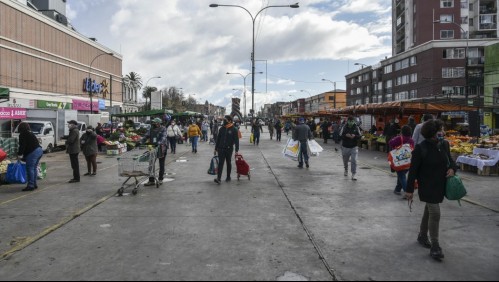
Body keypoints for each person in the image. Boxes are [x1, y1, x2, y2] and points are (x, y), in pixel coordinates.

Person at [406, 119, 458, 261]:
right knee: (435, 212)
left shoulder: (444, 144)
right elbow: (413, 171)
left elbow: (452, 162)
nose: (443, 132)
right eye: (440, 129)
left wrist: (452, 169)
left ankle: (422, 236)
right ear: (432, 133)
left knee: (429, 211)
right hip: (426, 187)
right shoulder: (420, 148)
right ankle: (435, 245)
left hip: (440, 186)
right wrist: (409, 189)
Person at [389, 125, 415, 197]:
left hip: (399, 161)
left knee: (402, 176)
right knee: (401, 175)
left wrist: (395, 138)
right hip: (408, 162)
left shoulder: (399, 138)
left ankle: (407, 192)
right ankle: (397, 189)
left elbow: (390, 143)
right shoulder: (411, 140)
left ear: (402, 131)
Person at [17, 122, 43, 191]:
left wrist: (20, 154)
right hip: (39, 150)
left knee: (30, 169)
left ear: (20, 128)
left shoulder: (23, 134)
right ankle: (34, 184)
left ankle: (31, 185)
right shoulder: (30, 133)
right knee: (33, 168)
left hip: (33, 152)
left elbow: (23, 145)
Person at [142, 118, 168, 186]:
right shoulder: (151, 129)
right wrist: (140, 142)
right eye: (153, 123)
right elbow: (146, 136)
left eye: (155, 123)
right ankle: (151, 180)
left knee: (161, 164)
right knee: (151, 164)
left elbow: (164, 137)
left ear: (159, 123)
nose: (153, 124)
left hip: (162, 148)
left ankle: (160, 179)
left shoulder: (163, 129)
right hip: (153, 148)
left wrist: (158, 143)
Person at [214, 115, 240, 184]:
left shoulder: (234, 129)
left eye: (226, 119)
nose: (224, 121)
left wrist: (236, 150)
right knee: (220, 163)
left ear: (230, 121)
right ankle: (218, 178)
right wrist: (216, 148)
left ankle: (228, 176)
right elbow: (218, 139)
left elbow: (236, 140)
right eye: (224, 119)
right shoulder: (222, 128)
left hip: (229, 149)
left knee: (228, 162)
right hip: (221, 149)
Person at [340, 116, 362, 181]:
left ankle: (353, 174)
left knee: (354, 160)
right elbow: (340, 135)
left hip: (354, 147)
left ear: (354, 121)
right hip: (345, 147)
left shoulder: (356, 127)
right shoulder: (344, 127)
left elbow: (360, 136)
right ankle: (346, 169)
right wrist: (346, 135)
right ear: (347, 121)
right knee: (345, 160)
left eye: (352, 121)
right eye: (349, 121)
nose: (351, 122)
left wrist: (355, 136)